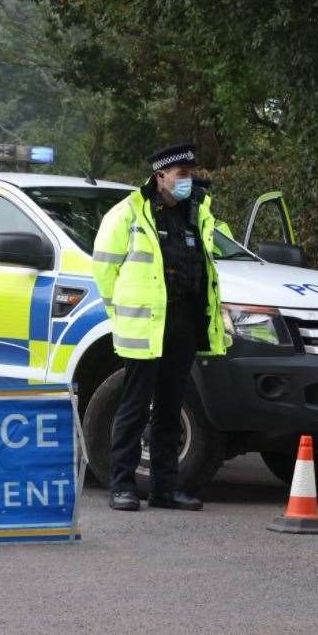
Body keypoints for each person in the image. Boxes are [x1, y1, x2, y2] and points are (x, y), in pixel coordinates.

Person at [92, 143, 229, 512]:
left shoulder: (197, 213)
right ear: (161, 176)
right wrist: (120, 313)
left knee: (171, 408)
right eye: (182, 174)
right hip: (145, 326)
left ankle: (165, 490)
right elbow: (104, 272)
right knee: (134, 407)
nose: (189, 179)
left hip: (184, 322)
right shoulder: (127, 215)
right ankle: (121, 486)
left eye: (191, 173)